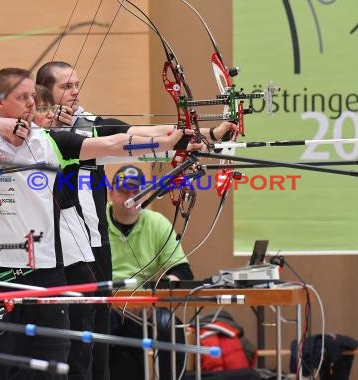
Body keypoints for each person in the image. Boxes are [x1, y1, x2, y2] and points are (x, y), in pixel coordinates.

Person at [0, 67, 201, 380]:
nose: (32, 104)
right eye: (22, 98)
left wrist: (171, 142)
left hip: (46, 272)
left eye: (33, 97)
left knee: (53, 361)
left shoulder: (52, 142)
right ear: (1, 104)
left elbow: (116, 143)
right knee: (0, 366)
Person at [36, 61, 231, 380]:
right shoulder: (34, 136)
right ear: (46, 93)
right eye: (66, 87)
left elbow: (135, 134)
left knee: (95, 345)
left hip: (93, 249)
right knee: (62, 343)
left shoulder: (88, 126)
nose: (75, 92)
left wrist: (205, 133)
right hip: (53, 254)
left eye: (76, 85)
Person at [107, 165, 194, 380]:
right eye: (123, 192)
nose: (130, 198)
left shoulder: (157, 223)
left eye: (135, 193)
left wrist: (151, 297)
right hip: (107, 305)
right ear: (110, 194)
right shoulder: (95, 222)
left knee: (171, 328)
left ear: (145, 194)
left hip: (145, 306)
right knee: (93, 329)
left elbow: (182, 271)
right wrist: (117, 301)